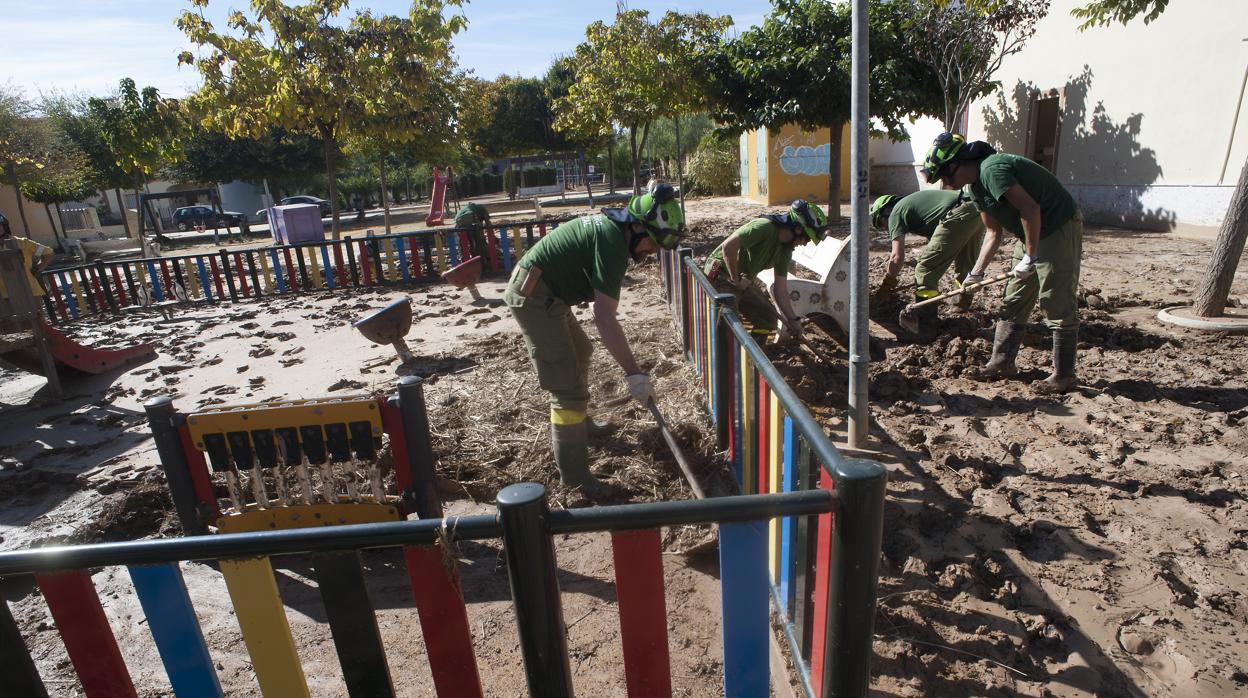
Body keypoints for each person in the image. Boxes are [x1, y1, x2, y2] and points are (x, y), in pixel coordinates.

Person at [504, 182, 685, 498]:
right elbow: (604, 317)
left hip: (550, 294)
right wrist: (634, 374)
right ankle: (574, 477)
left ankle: (581, 426)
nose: (650, 252)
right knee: (567, 389)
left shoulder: (614, 232)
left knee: (582, 350)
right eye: (652, 244)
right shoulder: (613, 241)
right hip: (534, 297)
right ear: (637, 227)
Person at [922, 132, 1084, 394]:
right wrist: (975, 273)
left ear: (957, 165)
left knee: (1055, 297)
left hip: (1056, 225)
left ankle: (1064, 375)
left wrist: (1031, 257)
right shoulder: (974, 188)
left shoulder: (992, 170)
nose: (945, 182)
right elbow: (993, 232)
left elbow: (1030, 209)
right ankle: (1002, 362)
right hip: (1029, 233)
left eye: (944, 175)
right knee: (1013, 298)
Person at [703, 200, 827, 341]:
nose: (804, 243)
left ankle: (753, 360)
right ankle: (726, 360)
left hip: (742, 280)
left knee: (767, 319)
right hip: (722, 274)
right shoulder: (764, 227)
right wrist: (736, 279)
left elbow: (780, 289)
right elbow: (728, 247)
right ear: (798, 229)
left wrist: (794, 319)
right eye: (806, 239)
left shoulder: (785, 250)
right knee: (729, 323)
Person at [869, 189, 985, 336]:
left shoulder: (895, 213)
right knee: (966, 265)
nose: (887, 228)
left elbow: (896, 256)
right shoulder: (915, 208)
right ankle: (960, 306)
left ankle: (926, 328)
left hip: (958, 213)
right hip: (975, 209)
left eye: (882, 223)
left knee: (924, 270)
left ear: (886, 211)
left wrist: (887, 285)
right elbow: (938, 243)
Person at [0, 220, 54, 302]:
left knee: (37, 314)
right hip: (4, 296)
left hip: (30, 291)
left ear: (4, 226)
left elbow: (47, 252)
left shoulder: (23, 243)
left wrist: (39, 267)